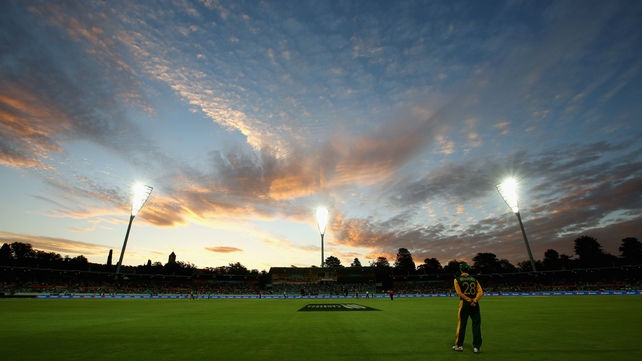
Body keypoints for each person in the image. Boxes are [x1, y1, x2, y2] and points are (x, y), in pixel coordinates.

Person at [452, 263, 483, 354]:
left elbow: (459, 293)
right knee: (476, 325)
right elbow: (480, 292)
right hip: (475, 304)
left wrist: (468, 300)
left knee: (462, 324)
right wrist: (474, 300)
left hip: (464, 303)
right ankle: (477, 347)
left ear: (461, 270)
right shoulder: (474, 280)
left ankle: (459, 346)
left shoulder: (457, 279)